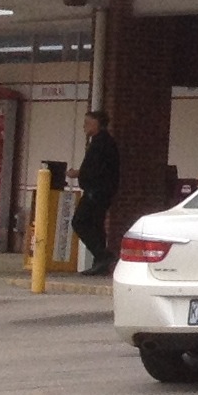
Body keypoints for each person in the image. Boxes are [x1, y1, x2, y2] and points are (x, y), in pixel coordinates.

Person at [73, 110, 121, 275]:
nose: (84, 126)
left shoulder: (101, 143)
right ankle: (100, 264)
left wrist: (81, 174)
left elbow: (96, 169)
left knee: (79, 222)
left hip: (96, 191)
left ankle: (103, 255)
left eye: (87, 123)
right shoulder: (101, 142)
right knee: (96, 225)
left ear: (97, 124)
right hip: (101, 190)